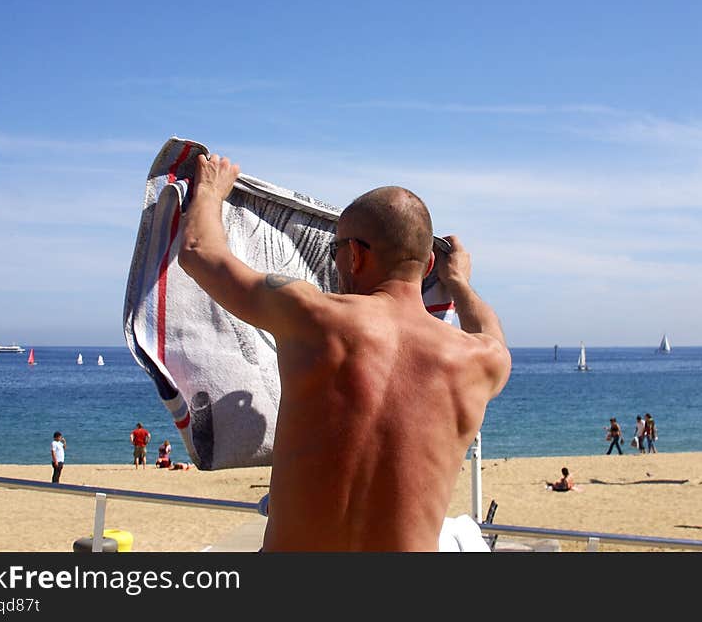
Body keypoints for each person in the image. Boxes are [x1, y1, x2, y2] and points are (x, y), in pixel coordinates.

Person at [178, 154, 511, 551]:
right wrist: (458, 282)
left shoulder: (312, 316)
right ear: (429, 266)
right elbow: (490, 332)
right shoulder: (480, 361)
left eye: (335, 249)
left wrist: (211, 191)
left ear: (355, 254)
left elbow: (199, 251)